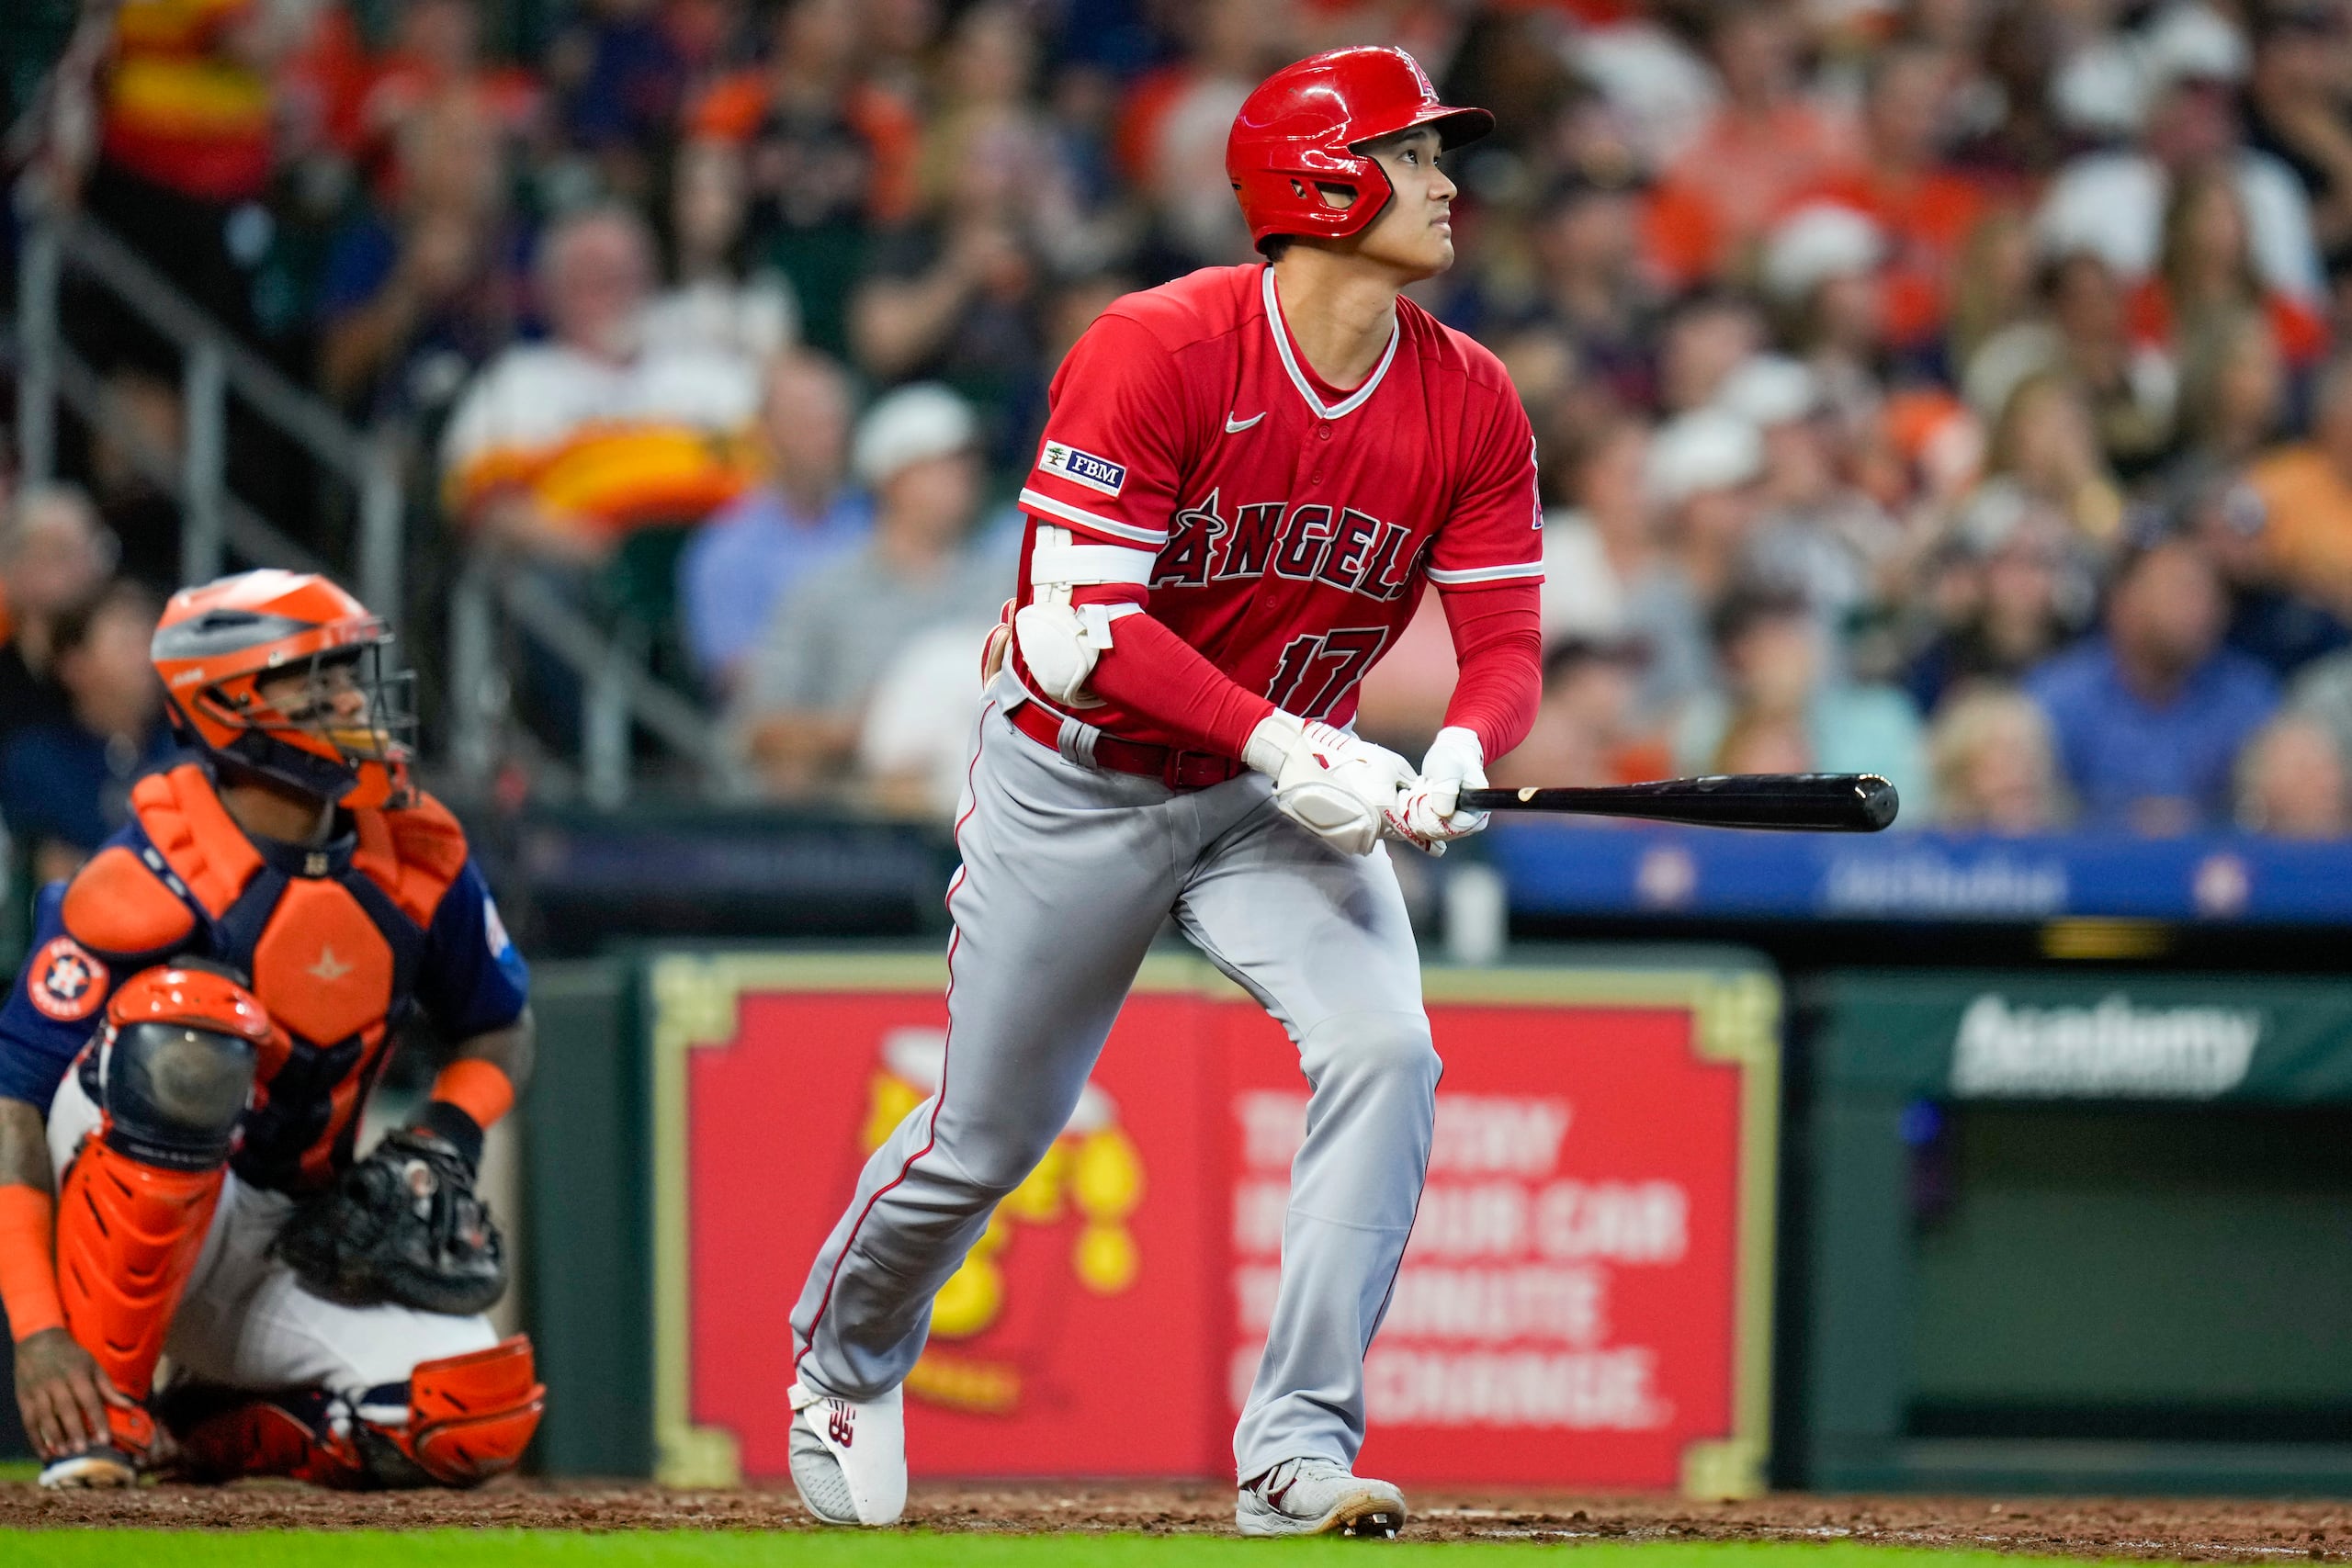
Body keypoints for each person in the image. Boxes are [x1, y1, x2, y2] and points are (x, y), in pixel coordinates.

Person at [780, 49, 1541, 1539]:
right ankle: (842, 1362)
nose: (1448, 183)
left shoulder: (1471, 397)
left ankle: (1295, 1449)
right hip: (1087, 777)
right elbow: (1078, 632)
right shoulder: (1162, 344)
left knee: (1388, 1050)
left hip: (1276, 792)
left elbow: (1504, 640)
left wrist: (1460, 748)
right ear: (1321, 179)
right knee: (991, 1137)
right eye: (1414, 153)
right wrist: (1287, 742)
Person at [0, 570, 542, 1490]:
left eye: (350, 672)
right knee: (189, 1030)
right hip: (129, 1211)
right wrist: (39, 1332)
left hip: (304, 1226)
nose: (351, 698)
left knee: (471, 1409)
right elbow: (13, 1109)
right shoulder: (143, 872)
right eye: (315, 677)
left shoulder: (415, 848)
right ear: (226, 706)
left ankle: (202, 1426)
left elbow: (501, 1027)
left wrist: (443, 1135)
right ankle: (106, 1409)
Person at [439, 205, 760, 569]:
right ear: (551, 292)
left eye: (622, 275)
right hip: (584, 586)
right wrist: (598, 553)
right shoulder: (516, 382)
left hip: (731, 565)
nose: (610, 292)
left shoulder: (710, 371)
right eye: (589, 278)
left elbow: (776, 475)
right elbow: (487, 508)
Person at [729, 384, 1008, 798]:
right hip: (857, 826)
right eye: (943, 463)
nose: (964, 475)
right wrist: (859, 729)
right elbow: (756, 731)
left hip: (981, 803)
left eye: (968, 462)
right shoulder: (823, 592)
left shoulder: (1001, 585)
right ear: (893, 480)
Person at [2025, 536, 2278, 832]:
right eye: (2179, 591)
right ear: (2122, 603)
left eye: (2209, 594)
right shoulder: (2057, 701)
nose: (2200, 608)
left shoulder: (2249, 699)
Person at [679, 350, 871, 694]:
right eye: (806, 423)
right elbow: (737, 678)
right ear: (765, 433)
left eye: (833, 422)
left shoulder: (875, 520)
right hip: (782, 728)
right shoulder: (727, 549)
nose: (826, 438)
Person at [0, 581, 176, 886]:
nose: (145, 660)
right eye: (126, 644)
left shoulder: (186, 754)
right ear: (74, 665)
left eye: (150, 641)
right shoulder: (36, 761)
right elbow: (49, 869)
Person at [0, 486, 117, 758]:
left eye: (92, 551)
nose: (85, 569)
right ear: (15, 569)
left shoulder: (115, 680)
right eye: (61, 554)